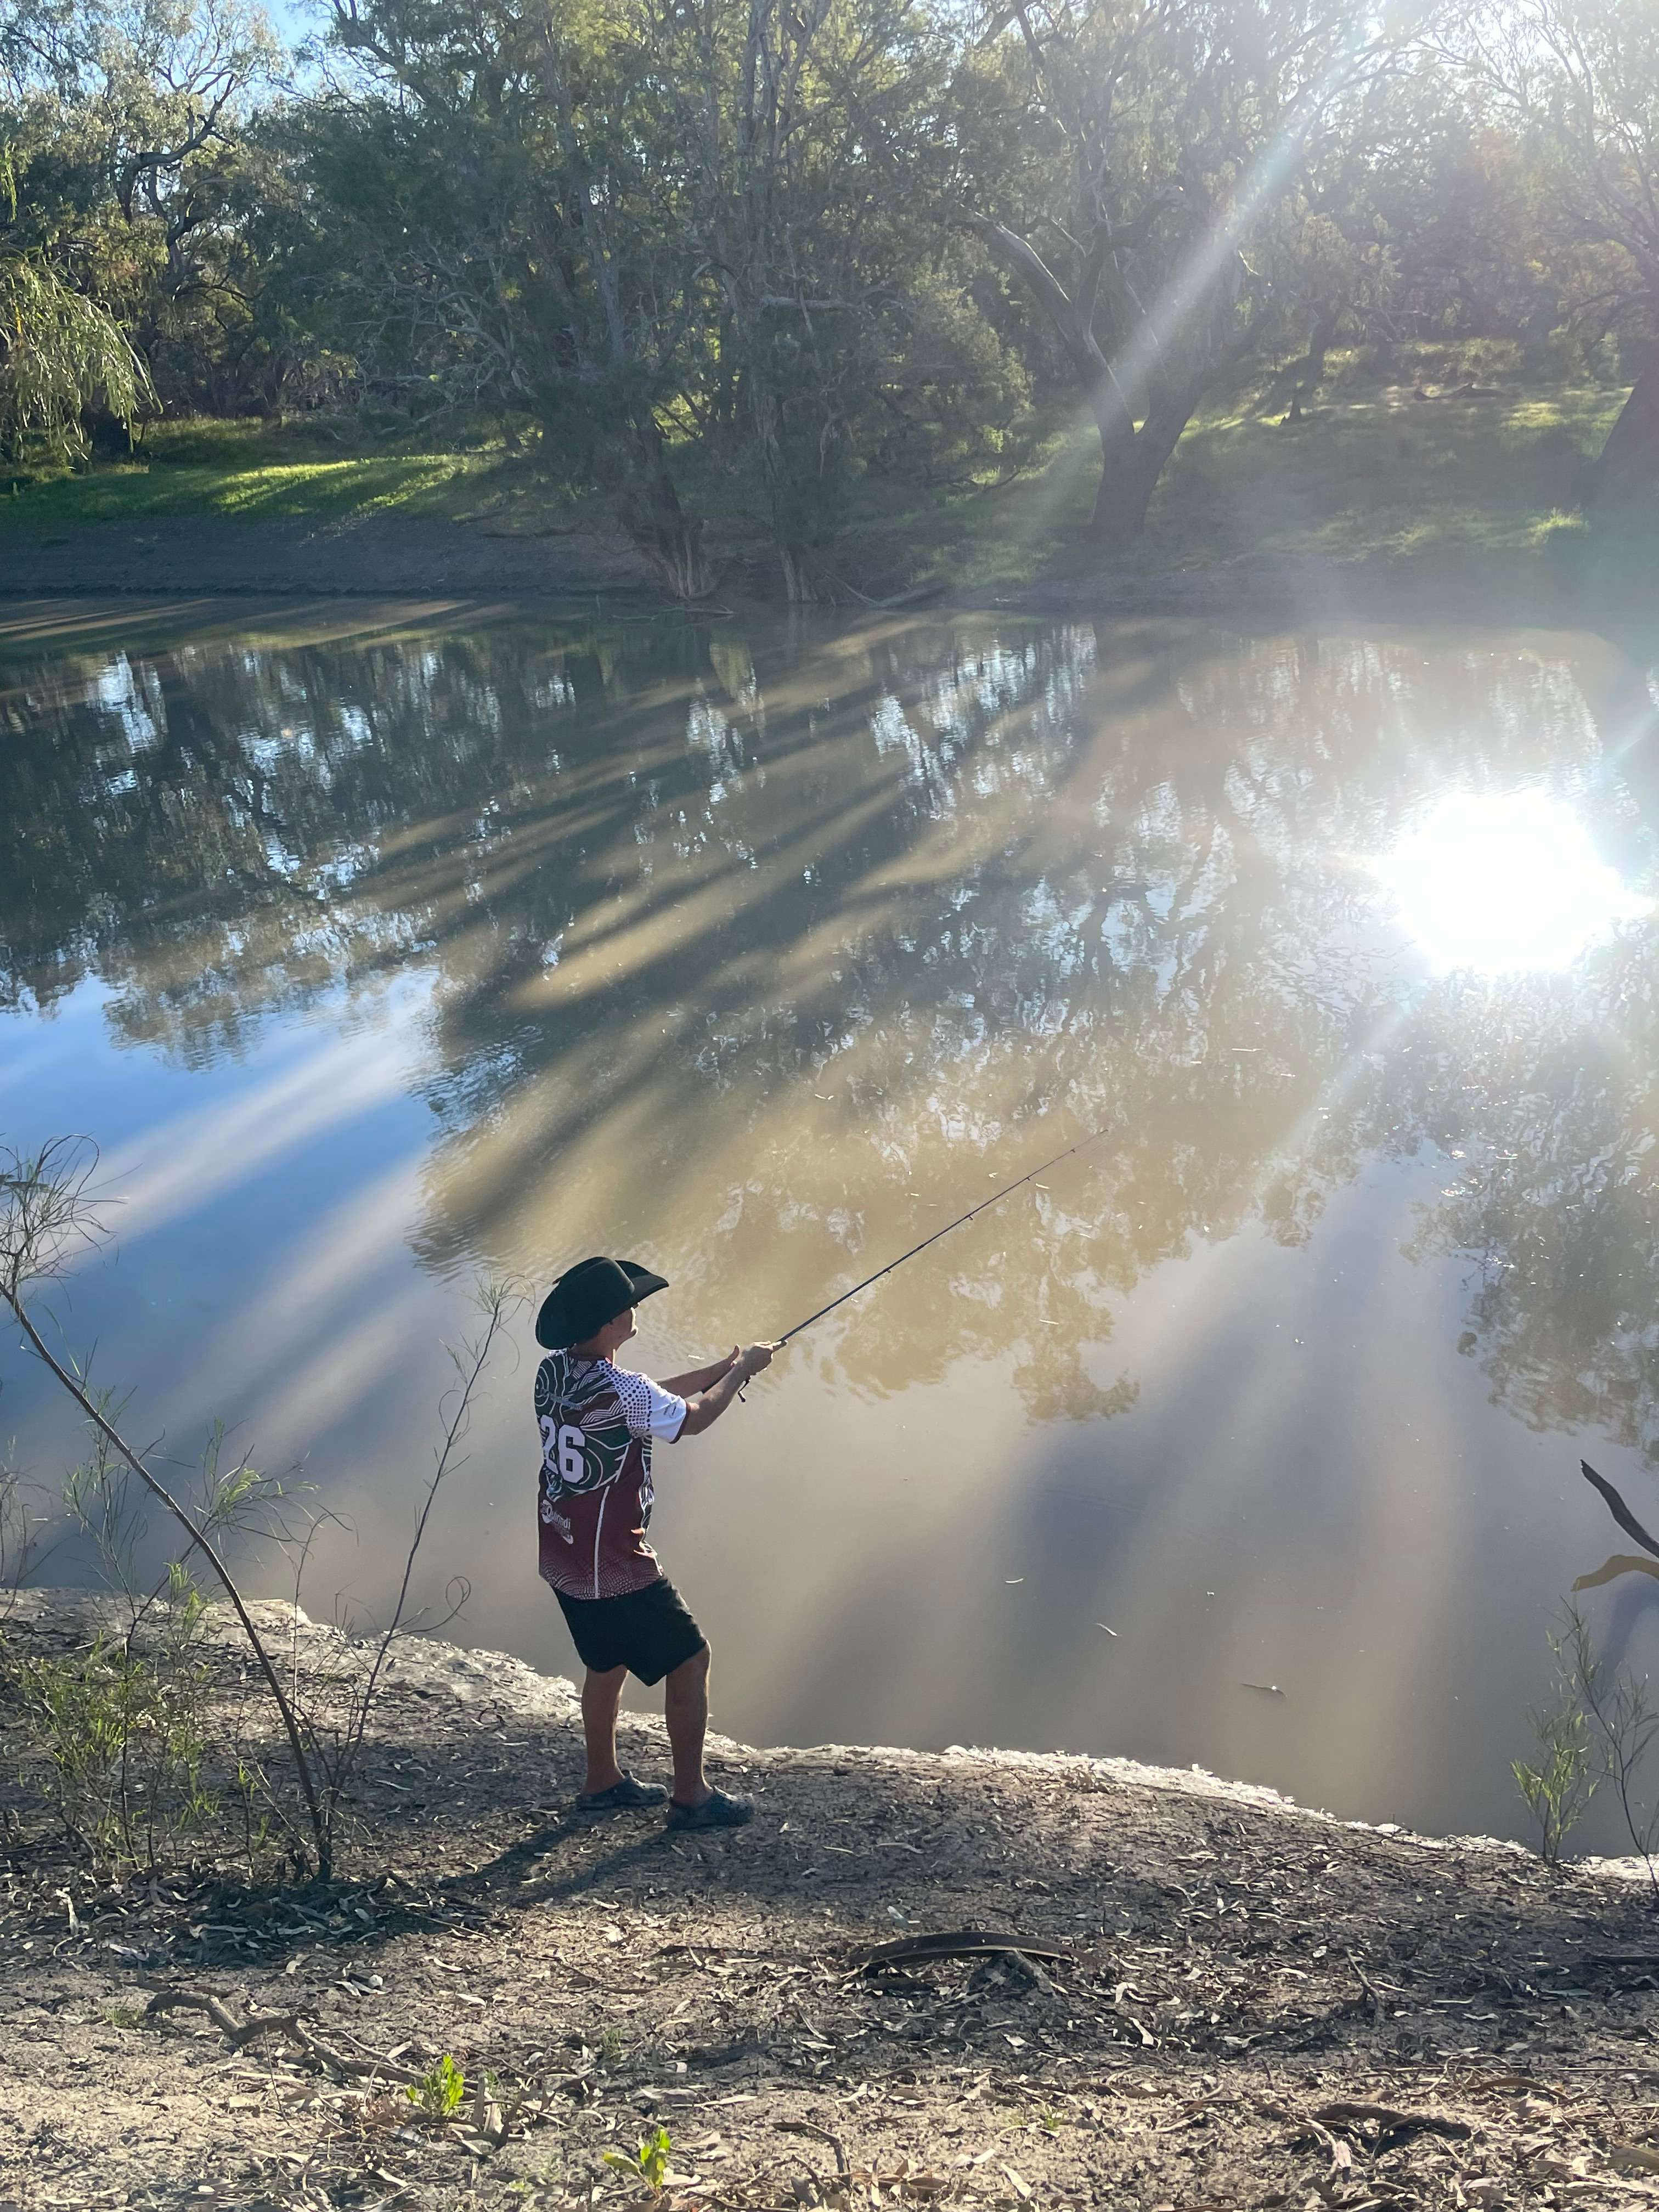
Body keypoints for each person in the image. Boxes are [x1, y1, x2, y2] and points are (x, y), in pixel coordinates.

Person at [533, 1254, 775, 1831]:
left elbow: (648, 1401)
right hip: (614, 1564)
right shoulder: (623, 1390)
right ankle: (692, 1796)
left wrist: (721, 1367)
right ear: (612, 1324)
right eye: (629, 1306)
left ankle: (602, 1781)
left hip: (563, 1553)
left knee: (605, 1662)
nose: (635, 1309)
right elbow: (687, 1420)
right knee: (691, 1658)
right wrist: (742, 1374)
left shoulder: (555, 1374)